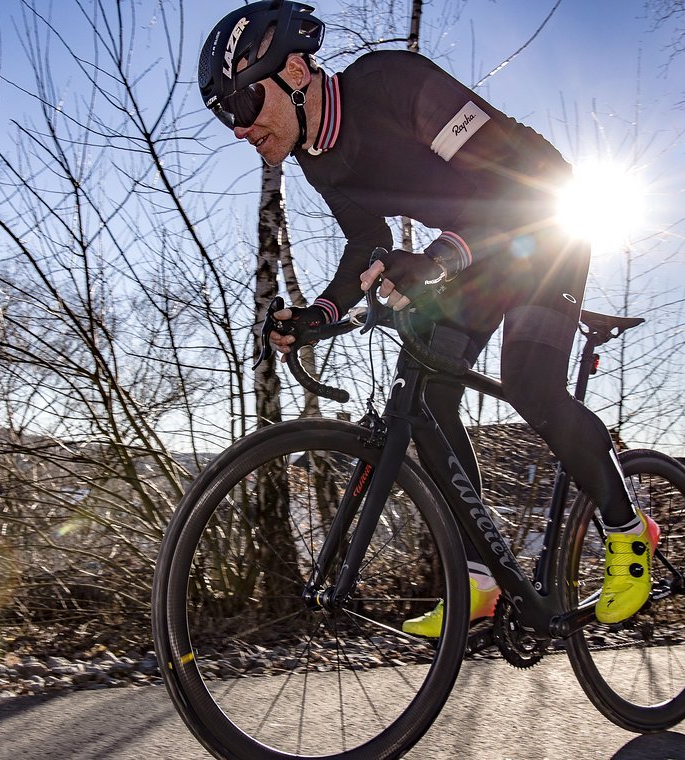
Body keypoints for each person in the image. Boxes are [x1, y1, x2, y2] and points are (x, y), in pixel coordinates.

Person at [198, 0, 659, 634]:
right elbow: (365, 244)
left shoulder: (394, 84)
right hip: (476, 243)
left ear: (297, 71)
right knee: (431, 395)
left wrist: (439, 259)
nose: (240, 129)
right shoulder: (318, 160)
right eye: (226, 116)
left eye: (244, 106)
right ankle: (479, 577)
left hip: (545, 217)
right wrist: (316, 317)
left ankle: (628, 530)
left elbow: (510, 188)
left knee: (529, 384)